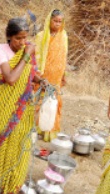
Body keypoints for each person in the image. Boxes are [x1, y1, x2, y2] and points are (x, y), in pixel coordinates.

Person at [0, 17, 42, 194]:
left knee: (21, 148)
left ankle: (11, 192)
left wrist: (40, 79)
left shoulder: (27, 50)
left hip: (24, 107)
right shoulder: (1, 50)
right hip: (6, 107)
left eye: (25, 38)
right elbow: (10, 78)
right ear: (9, 37)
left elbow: (30, 73)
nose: (22, 42)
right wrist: (26, 56)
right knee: (5, 150)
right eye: (18, 38)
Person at [34, 9, 68, 142]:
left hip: (57, 76)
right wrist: (38, 75)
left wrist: (64, 74)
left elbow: (64, 56)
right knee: (40, 101)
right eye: (55, 21)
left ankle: (50, 131)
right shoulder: (42, 36)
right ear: (49, 20)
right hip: (44, 75)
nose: (57, 24)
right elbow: (36, 56)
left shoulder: (64, 36)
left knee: (54, 102)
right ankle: (37, 128)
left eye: (60, 22)